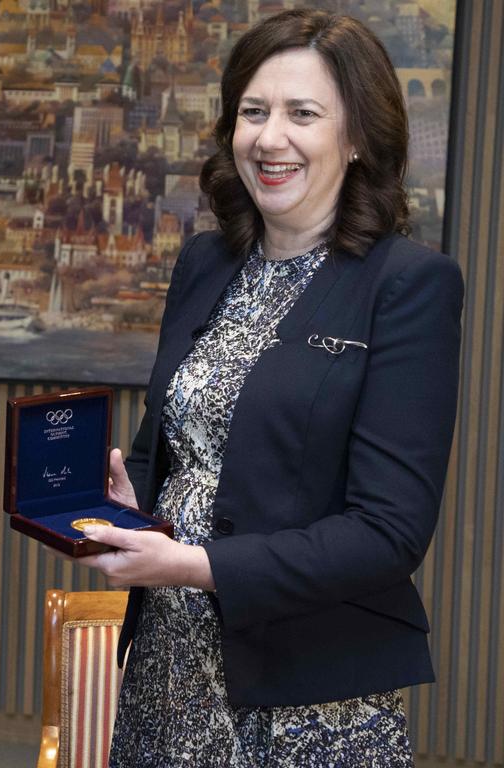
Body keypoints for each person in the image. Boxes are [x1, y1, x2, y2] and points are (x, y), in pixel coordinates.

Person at [76, 10, 463, 766]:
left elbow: (389, 534)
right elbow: (174, 450)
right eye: (253, 112)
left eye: (303, 114)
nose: (269, 137)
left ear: (355, 139)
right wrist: (128, 513)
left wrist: (195, 566)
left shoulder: (408, 286)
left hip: (311, 703)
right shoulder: (206, 264)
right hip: (167, 672)